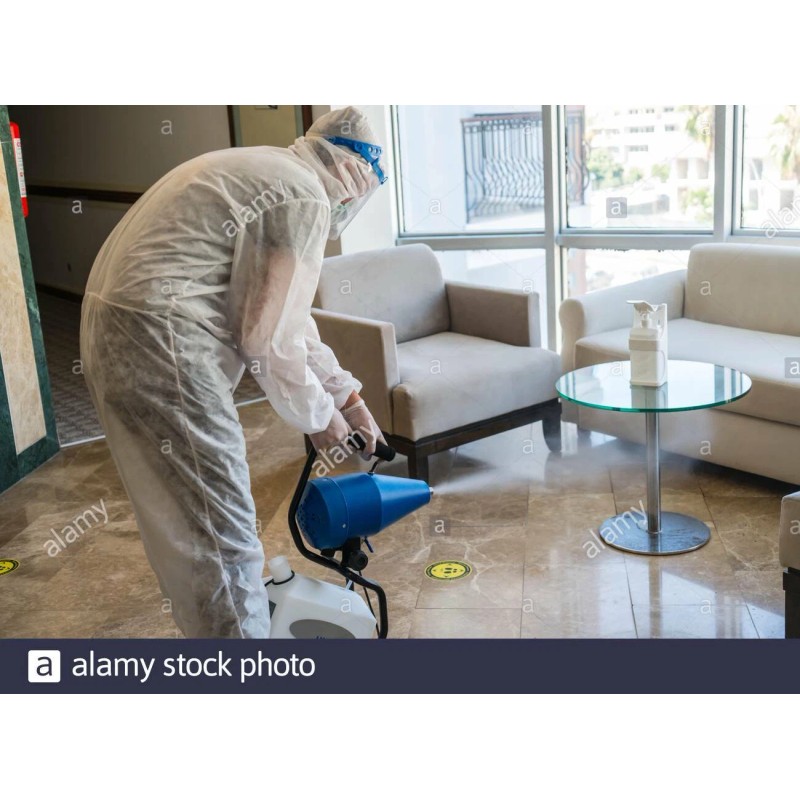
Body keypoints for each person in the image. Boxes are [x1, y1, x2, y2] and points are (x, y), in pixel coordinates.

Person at [80, 107, 387, 638]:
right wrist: (320, 418)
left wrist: (348, 398)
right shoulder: (303, 196)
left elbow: (287, 317)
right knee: (223, 532)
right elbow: (266, 340)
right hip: (162, 343)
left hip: (120, 336)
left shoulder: (273, 171)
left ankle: (219, 640)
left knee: (189, 525)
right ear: (354, 171)